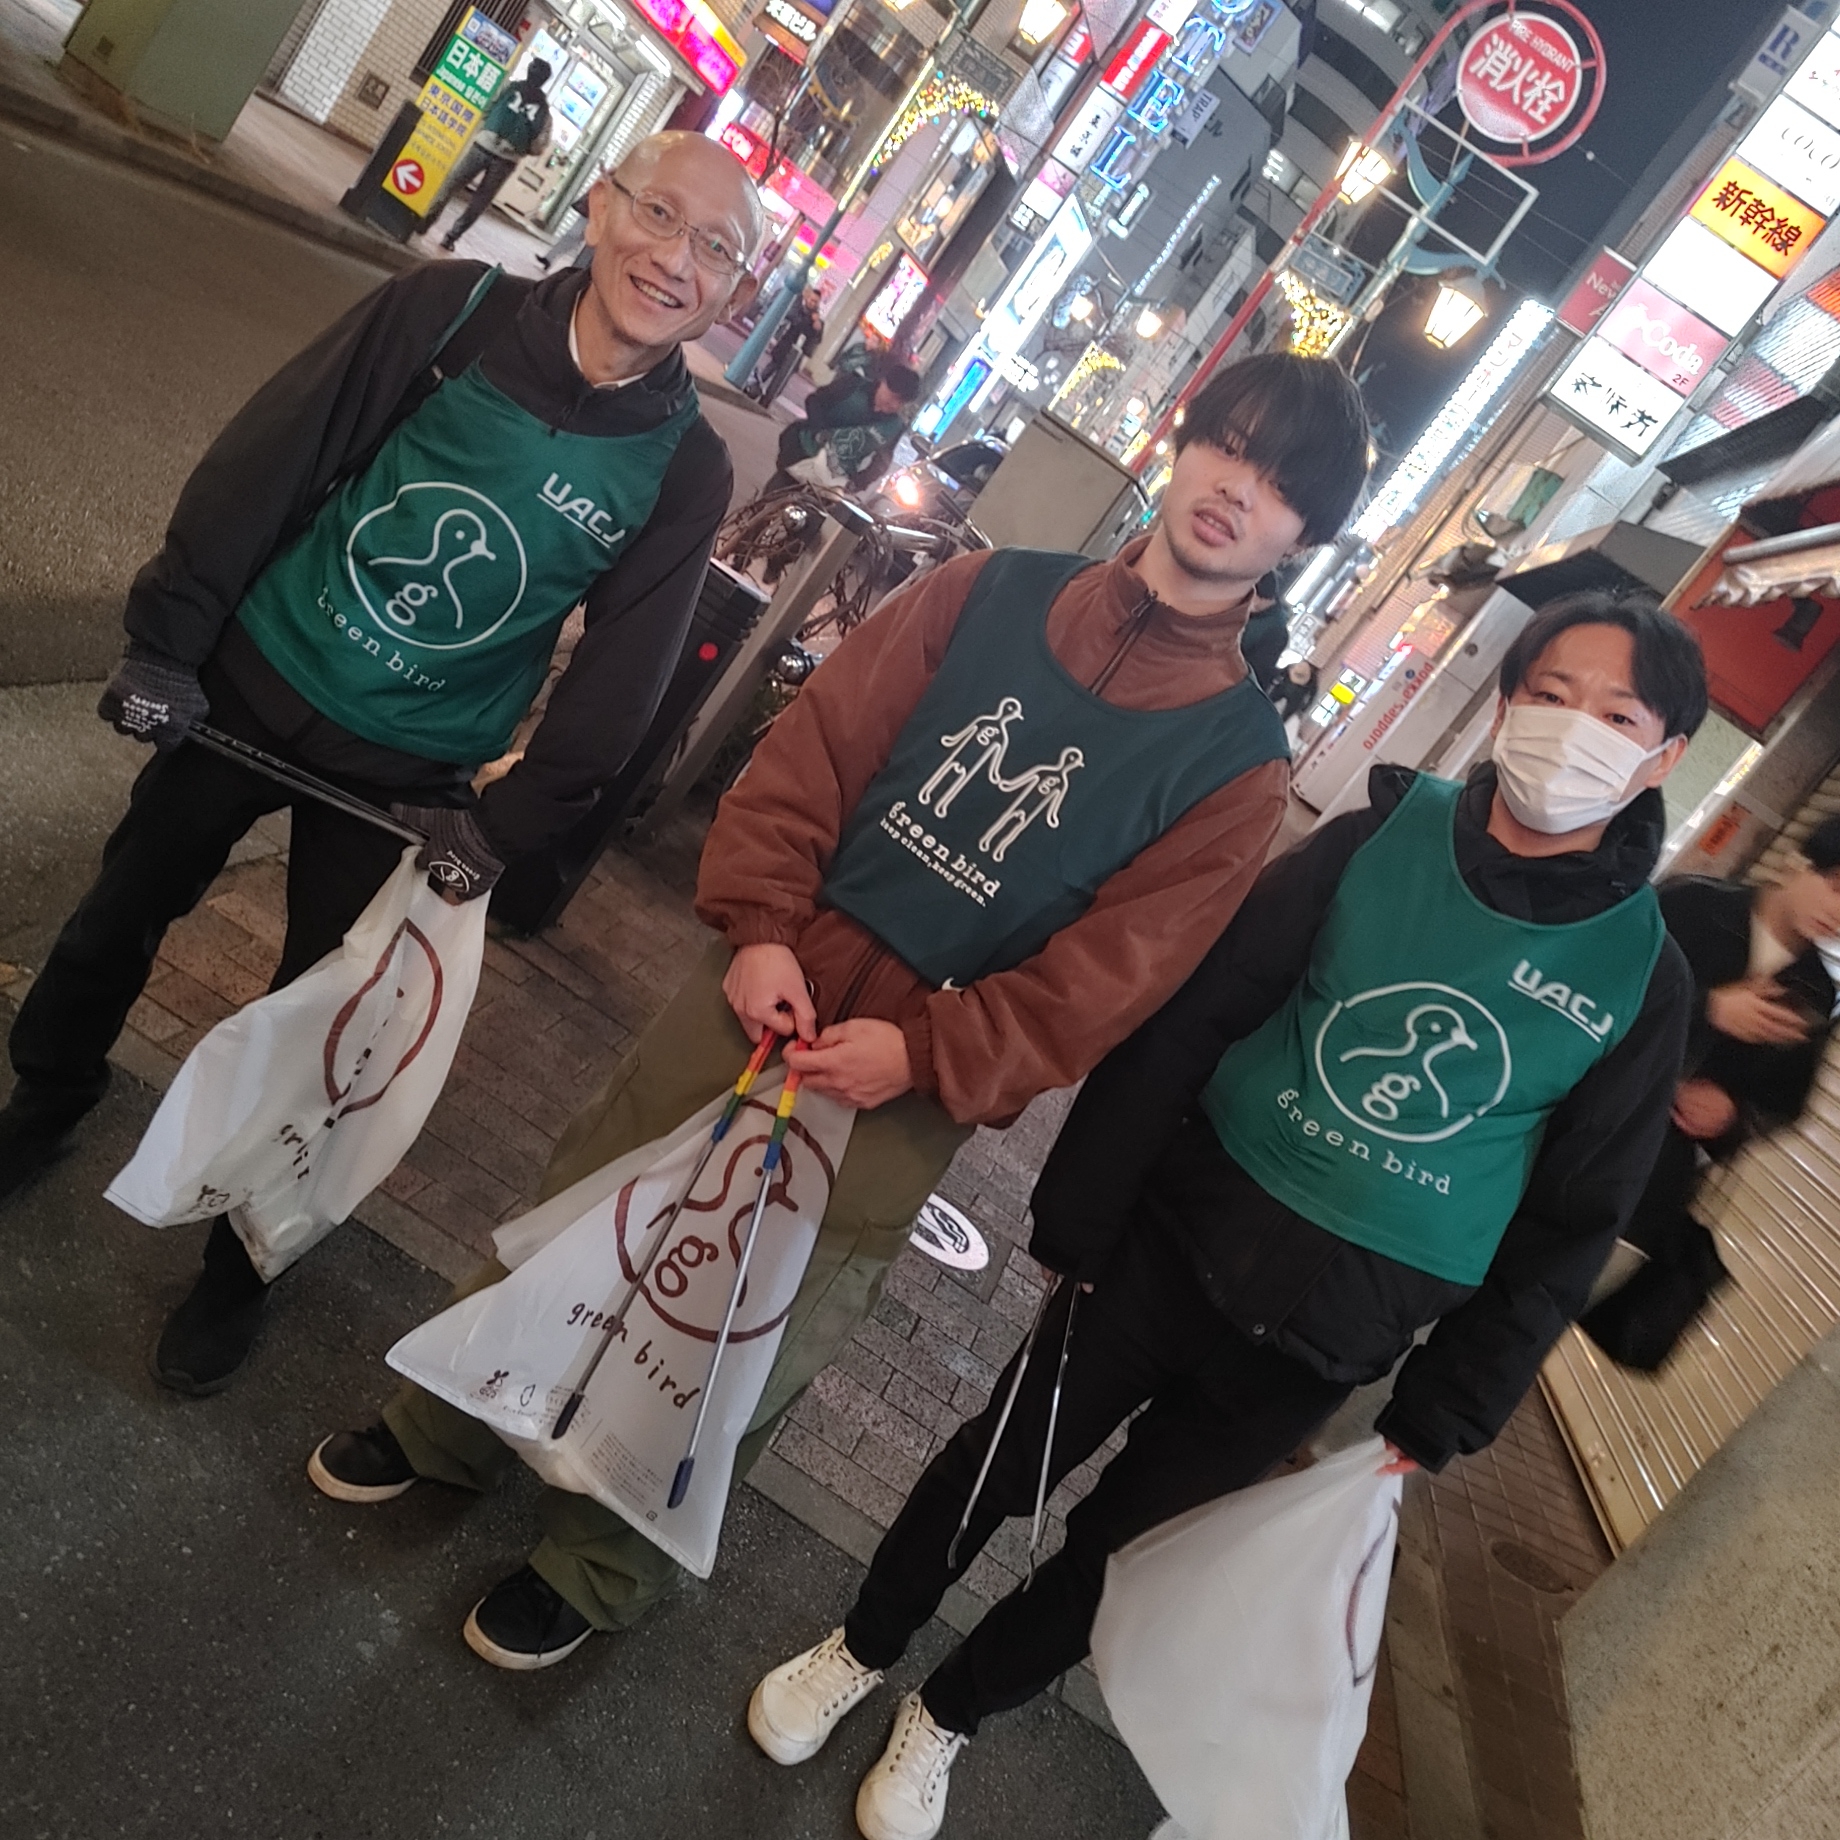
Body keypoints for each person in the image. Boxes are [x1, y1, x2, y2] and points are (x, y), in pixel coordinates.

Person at [306, 353, 1373, 1674]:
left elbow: (1112, 975)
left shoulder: (1237, 768)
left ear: (1302, 537)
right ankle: (451, 1424)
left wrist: (928, 1051)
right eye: (1229, 444)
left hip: (904, 1086)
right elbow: (817, 747)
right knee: (592, 1201)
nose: (1238, 489)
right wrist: (760, 927)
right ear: (1183, 439)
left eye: (1281, 485)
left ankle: (598, 1559)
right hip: (768, 981)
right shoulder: (987, 590)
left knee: (763, 1320)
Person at [746, 590, 1705, 1840]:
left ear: (1663, 756)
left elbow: (1569, 1225)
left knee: (1123, 1551)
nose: (1572, 729)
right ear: (1508, 701)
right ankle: (863, 1643)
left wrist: (1444, 1410)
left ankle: (950, 1713)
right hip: (1168, 1244)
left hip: (1327, 1338)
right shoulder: (1377, 838)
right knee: (1000, 1454)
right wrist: (1085, 1208)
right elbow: (1199, 1013)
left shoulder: (1643, 977)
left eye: (1617, 715)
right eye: (1551, 693)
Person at [0, 134, 765, 1397]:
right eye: (658, 213)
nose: (674, 258)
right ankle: (50, 1089)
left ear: (735, 292)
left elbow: (625, 675)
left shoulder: (683, 465)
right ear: (600, 207)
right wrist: (169, 639)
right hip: (260, 671)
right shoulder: (454, 312)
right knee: (120, 907)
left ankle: (243, 1261)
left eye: (716, 248)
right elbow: (281, 449)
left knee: (334, 1034)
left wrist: (507, 825)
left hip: (412, 772)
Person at [1580, 821, 1840, 1369]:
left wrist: (1733, 1115)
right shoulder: (1693, 905)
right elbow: (1593, 984)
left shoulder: (1816, 990)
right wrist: (1707, 1008)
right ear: (1798, 864)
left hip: (1647, 1188)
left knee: (1528, 1324)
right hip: (1573, 1133)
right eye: (1837, 887)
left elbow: (1785, 1101)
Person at [435, 58, 554, 252]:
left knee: (453, 182)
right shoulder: (544, 110)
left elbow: (488, 105)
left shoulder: (509, 87)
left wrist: (488, 127)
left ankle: (427, 217)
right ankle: (451, 237)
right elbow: (540, 144)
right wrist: (522, 148)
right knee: (480, 201)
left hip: (484, 144)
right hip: (507, 160)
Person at [767, 355, 921, 494]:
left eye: (901, 402)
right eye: (893, 397)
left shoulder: (894, 426)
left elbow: (882, 460)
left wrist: (860, 482)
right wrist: (820, 430)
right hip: (803, 454)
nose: (894, 404)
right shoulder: (853, 386)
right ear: (883, 382)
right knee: (772, 499)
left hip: (833, 481)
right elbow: (815, 401)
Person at [751, 286, 824, 406]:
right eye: (811, 300)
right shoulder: (798, 308)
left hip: (797, 355)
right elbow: (793, 319)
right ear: (807, 298)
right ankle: (753, 390)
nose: (812, 303)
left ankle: (766, 400)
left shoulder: (818, 320)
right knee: (768, 370)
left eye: (815, 302)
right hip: (785, 346)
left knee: (781, 380)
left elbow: (817, 339)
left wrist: (817, 326)